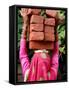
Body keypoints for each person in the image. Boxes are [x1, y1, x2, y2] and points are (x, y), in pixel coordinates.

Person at [19, 8, 59, 82]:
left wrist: (25, 24)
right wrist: (55, 28)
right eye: (46, 51)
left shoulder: (28, 74)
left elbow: (22, 55)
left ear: (33, 62)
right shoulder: (52, 76)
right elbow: (56, 54)